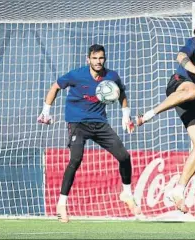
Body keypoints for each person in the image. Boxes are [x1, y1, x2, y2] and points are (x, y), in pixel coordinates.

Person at [136, 20, 195, 213]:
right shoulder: (192, 43)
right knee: (192, 90)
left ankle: (179, 190)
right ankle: (148, 115)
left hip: (194, 98)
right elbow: (181, 56)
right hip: (179, 85)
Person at [38, 44, 140, 222]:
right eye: (94, 58)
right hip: (77, 123)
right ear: (88, 59)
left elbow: (121, 93)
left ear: (105, 59)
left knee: (124, 156)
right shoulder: (77, 75)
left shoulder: (111, 76)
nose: (98, 61)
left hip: (100, 123)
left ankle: (127, 193)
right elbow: (55, 87)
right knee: (76, 158)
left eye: (101, 58)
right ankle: (61, 204)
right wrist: (46, 111)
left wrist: (126, 116)